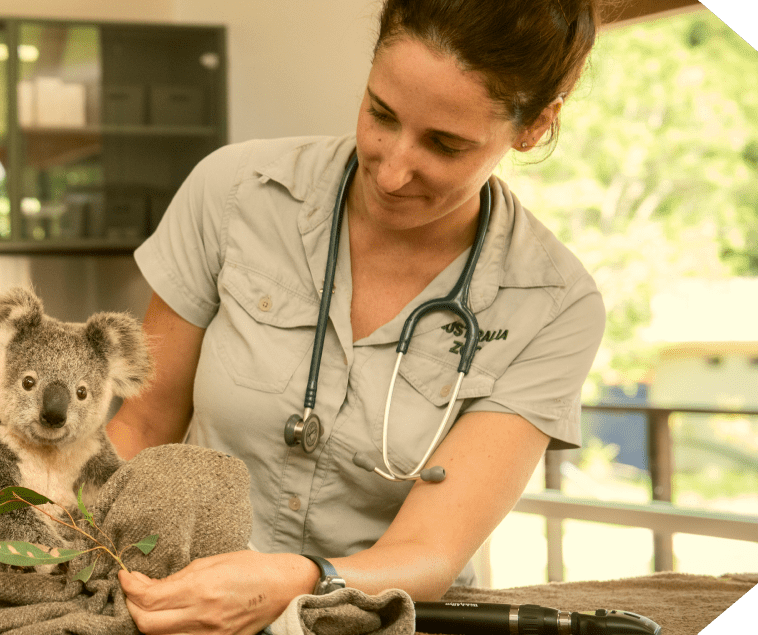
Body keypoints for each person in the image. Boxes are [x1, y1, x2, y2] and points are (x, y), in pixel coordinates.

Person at [106, 1, 606, 633]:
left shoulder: (555, 305)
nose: (393, 172)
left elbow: (429, 553)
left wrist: (294, 581)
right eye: (381, 114)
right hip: (182, 613)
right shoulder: (234, 192)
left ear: (533, 126)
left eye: (445, 145)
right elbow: (144, 423)